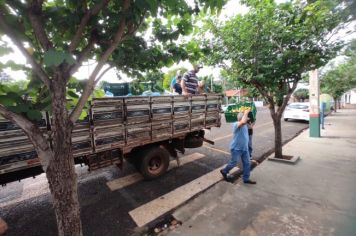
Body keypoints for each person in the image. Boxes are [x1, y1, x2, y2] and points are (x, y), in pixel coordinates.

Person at [220, 109, 257, 184]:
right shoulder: (236, 124)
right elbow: (242, 122)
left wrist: (252, 118)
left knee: (247, 163)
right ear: (242, 118)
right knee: (234, 163)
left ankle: (246, 179)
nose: (247, 119)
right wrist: (245, 113)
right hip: (236, 148)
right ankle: (224, 171)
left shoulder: (246, 125)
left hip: (245, 149)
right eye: (246, 118)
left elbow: (251, 125)